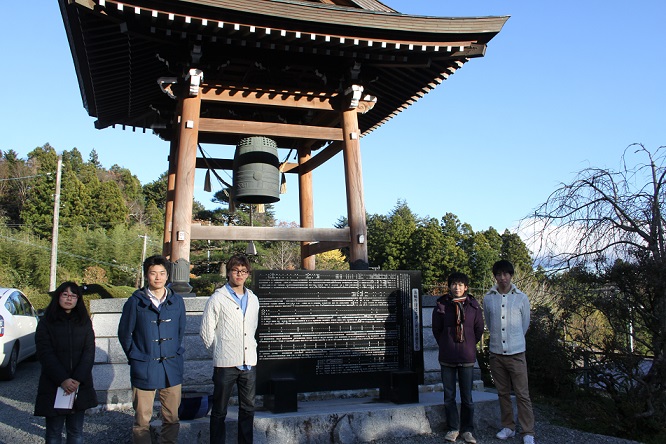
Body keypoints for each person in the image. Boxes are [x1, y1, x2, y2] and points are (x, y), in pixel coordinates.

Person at [118, 255, 186, 444]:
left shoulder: (177, 301)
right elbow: (124, 334)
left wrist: (171, 350)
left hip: (171, 365)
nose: (158, 277)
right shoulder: (135, 301)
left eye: (162, 273)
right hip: (144, 364)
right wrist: (135, 355)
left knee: (172, 417)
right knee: (142, 419)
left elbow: (180, 331)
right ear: (146, 275)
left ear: (167, 276)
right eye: (153, 273)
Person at [200, 254, 260, 444]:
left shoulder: (253, 299)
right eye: (236, 270)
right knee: (219, 410)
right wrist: (219, 351)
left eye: (243, 271)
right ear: (229, 273)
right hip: (225, 364)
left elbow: (252, 328)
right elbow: (206, 332)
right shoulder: (217, 298)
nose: (239, 274)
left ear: (248, 274)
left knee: (248, 409)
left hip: (248, 363)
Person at [34, 281, 98, 444]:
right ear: (58, 297)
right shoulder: (46, 322)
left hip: (79, 386)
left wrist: (77, 379)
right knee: (53, 432)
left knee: (76, 431)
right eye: (65, 295)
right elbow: (44, 353)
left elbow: (89, 352)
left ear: (78, 299)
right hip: (53, 384)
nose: (69, 299)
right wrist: (63, 379)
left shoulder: (84, 322)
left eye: (73, 295)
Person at [483, 260, 536, 444]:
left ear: (511, 275)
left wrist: (515, 342)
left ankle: (528, 431)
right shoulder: (488, 297)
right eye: (499, 274)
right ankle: (508, 427)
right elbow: (489, 323)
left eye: (506, 274)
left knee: (522, 394)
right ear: (495, 276)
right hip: (496, 353)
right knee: (502, 392)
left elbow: (525, 324)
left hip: (517, 353)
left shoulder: (521, 297)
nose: (502, 278)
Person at [432, 272, 484, 443]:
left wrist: (468, 344)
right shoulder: (441, 304)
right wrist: (446, 343)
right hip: (447, 355)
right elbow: (437, 330)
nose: (457, 287)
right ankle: (453, 428)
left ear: (466, 287)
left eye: (461, 284)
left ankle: (468, 430)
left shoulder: (473, 305)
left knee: (467, 396)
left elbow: (478, 330)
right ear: (449, 286)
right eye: (454, 284)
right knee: (449, 395)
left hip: (467, 356)